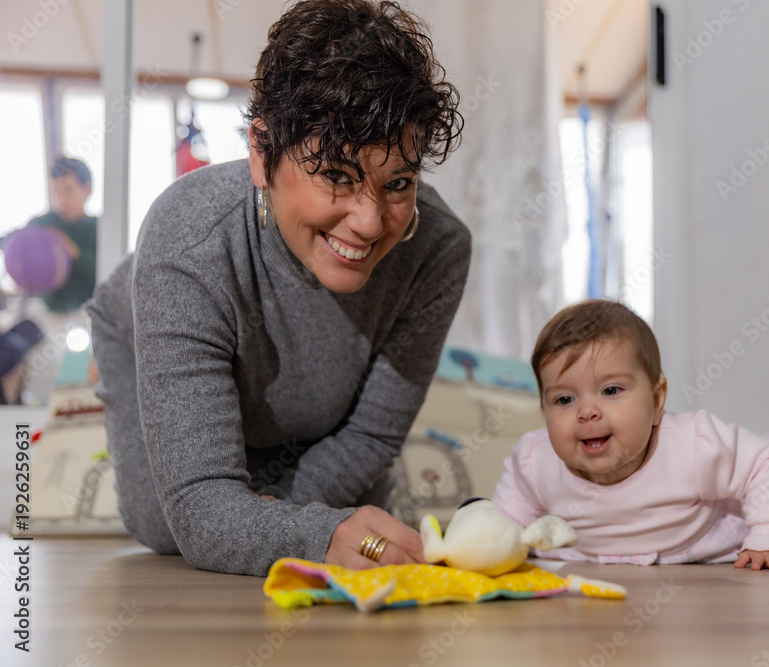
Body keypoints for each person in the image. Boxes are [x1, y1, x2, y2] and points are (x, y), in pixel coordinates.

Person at [86, 0, 469, 577]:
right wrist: (303, 528)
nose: (369, 223)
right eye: (336, 175)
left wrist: (268, 519)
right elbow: (199, 511)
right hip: (136, 331)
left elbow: (370, 434)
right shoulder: (188, 238)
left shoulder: (439, 249)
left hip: (311, 413)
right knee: (167, 528)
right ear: (262, 154)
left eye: (398, 182)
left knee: (338, 521)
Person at [492, 300, 769, 571]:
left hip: (705, 536)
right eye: (564, 399)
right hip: (592, 551)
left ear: (656, 402)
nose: (587, 412)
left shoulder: (692, 445)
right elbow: (506, 523)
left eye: (610, 390)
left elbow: (765, 465)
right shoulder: (535, 461)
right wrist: (494, 547)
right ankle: (760, 446)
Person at [26, 156, 98, 313]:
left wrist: (74, 252)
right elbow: (11, 243)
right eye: (56, 192)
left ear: (87, 190)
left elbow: (107, 273)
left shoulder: (100, 228)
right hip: (49, 313)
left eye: (68, 191)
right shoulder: (41, 225)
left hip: (88, 314)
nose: (61, 200)